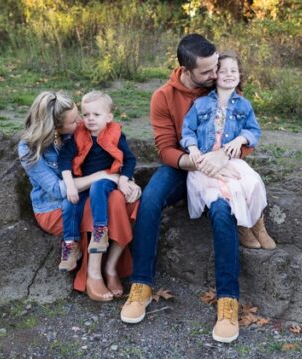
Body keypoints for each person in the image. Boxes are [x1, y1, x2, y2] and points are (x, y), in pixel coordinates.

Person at [120, 34, 245, 344]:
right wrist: (195, 162)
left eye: (217, 67)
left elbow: (246, 134)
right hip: (183, 165)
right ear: (186, 70)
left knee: (221, 209)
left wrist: (223, 156)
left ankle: (228, 300)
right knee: (149, 200)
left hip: (220, 164)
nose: (216, 75)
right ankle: (141, 286)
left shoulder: (222, 88)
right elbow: (164, 149)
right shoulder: (163, 97)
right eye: (208, 71)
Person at [17, 91, 140, 302]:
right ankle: (93, 273)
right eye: (75, 120)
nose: (82, 122)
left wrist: (127, 181)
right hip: (56, 208)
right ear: (56, 127)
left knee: (121, 199)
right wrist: (102, 176)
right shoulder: (29, 149)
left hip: (86, 196)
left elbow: (113, 156)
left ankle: (110, 268)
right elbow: (58, 190)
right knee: (103, 202)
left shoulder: (80, 131)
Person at [181, 50, 276, 249]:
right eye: (223, 71)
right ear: (215, 75)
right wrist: (192, 148)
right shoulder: (201, 103)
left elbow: (253, 130)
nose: (229, 74)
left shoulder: (244, 105)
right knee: (230, 188)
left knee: (252, 182)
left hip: (230, 158)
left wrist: (239, 140)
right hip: (205, 159)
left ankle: (258, 225)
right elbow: (187, 129)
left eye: (234, 71)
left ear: (239, 75)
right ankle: (243, 227)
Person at [58, 91, 138, 258]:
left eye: (96, 114)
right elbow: (65, 159)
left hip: (107, 179)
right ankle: (70, 244)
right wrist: (70, 185)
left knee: (98, 186)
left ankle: (100, 232)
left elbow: (129, 159)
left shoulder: (115, 134)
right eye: (86, 114)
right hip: (83, 179)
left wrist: (124, 179)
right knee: (69, 204)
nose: (90, 119)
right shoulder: (78, 134)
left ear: (108, 117)